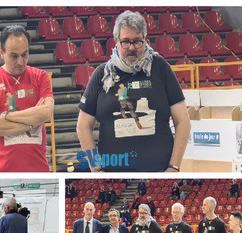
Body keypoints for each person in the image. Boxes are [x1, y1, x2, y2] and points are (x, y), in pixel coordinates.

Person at [77, 10, 190, 172]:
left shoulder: (160, 68)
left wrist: (174, 166)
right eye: (126, 42)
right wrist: (95, 167)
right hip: (113, 175)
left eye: (137, 41)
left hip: (159, 174)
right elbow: (82, 126)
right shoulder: (102, 75)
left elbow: (183, 120)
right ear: (116, 42)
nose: (132, 48)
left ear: (144, 41)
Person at [0, 25, 54, 172]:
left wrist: (6, 116)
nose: (20, 61)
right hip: (1, 171)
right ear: (1, 53)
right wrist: (31, 123)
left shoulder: (41, 77)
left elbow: (45, 113)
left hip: (38, 169)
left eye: (25, 54)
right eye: (14, 56)